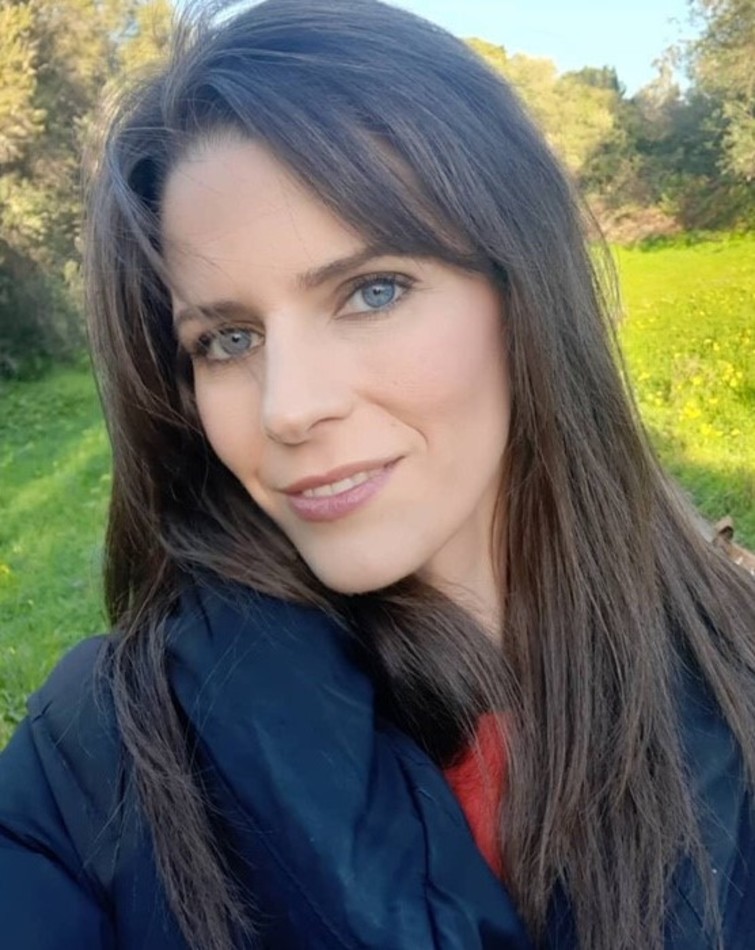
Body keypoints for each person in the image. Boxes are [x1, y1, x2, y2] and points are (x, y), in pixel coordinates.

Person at [1, 1, 754, 947]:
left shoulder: (732, 652)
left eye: (372, 291)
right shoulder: (100, 759)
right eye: (227, 339)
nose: (287, 408)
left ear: (524, 291)